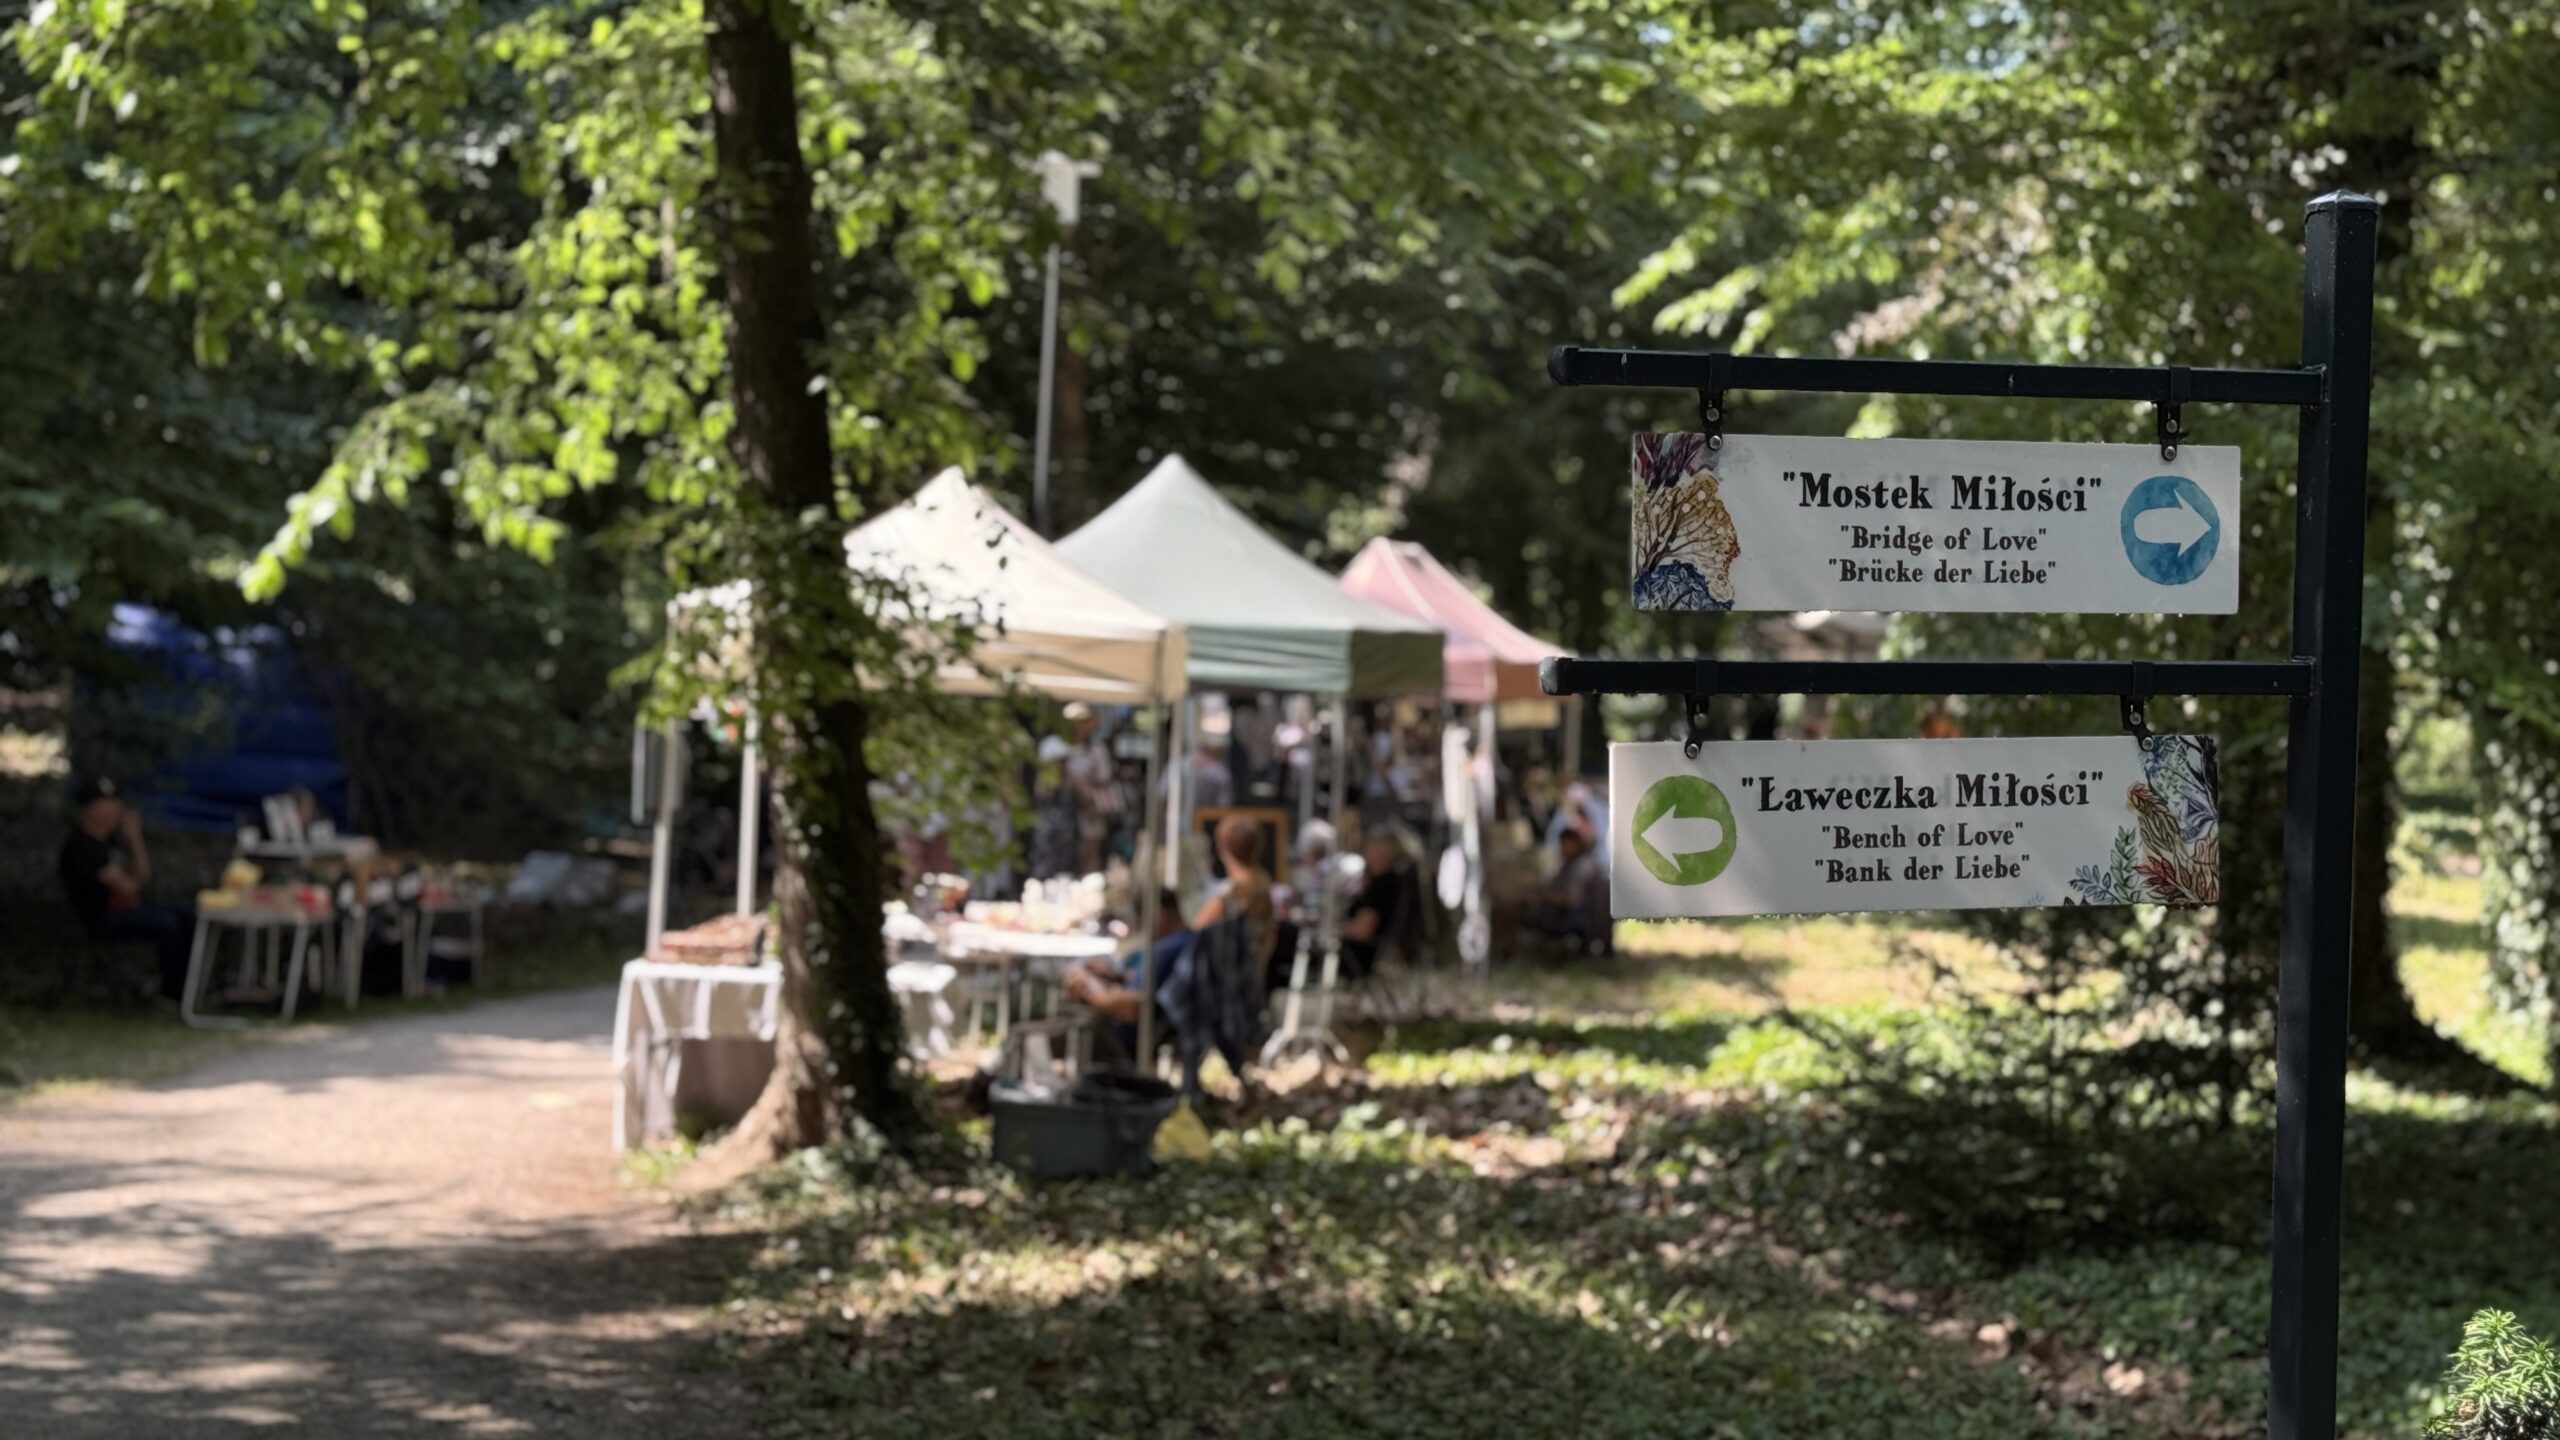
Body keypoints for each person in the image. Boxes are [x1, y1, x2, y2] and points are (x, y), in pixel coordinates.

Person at [1066, 815, 1275, 1046]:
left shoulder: (1230, 893)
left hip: (1219, 985)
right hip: (1247, 980)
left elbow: (1194, 934)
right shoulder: (1263, 885)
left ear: (1223, 847)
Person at [57, 777, 196, 1000]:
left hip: (124, 908)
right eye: (109, 803)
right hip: (100, 917)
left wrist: (134, 839)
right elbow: (129, 887)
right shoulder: (82, 845)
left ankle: (190, 986)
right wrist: (132, 881)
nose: (117, 808)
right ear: (92, 808)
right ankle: (174, 992)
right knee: (168, 924)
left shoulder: (110, 842)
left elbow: (142, 877)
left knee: (188, 915)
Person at [1338, 825, 1419, 978]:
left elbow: (1362, 930)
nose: (1365, 854)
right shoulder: (1394, 881)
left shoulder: (1382, 885)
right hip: (1367, 954)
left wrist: (1333, 930)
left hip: (1360, 957)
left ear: (1384, 852)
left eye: (1370, 848)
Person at [1527, 823, 1610, 953]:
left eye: (1565, 845)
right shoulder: (1570, 863)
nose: (1562, 848)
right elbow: (1554, 884)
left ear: (1576, 844)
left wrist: (1545, 896)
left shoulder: (1580, 866)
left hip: (1573, 916)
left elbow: (1572, 900)